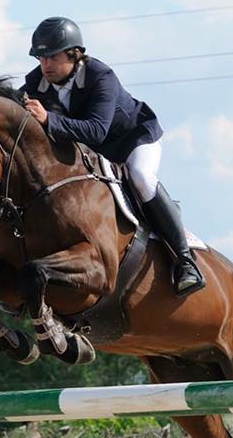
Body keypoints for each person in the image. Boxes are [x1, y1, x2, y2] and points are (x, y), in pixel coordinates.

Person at [20, 16, 205, 296]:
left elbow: (96, 130)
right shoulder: (36, 81)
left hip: (133, 139)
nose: (45, 65)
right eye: (41, 58)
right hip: (96, 152)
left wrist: (48, 119)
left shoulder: (100, 76)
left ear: (74, 54)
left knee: (140, 176)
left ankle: (184, 261)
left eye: (53, 57)